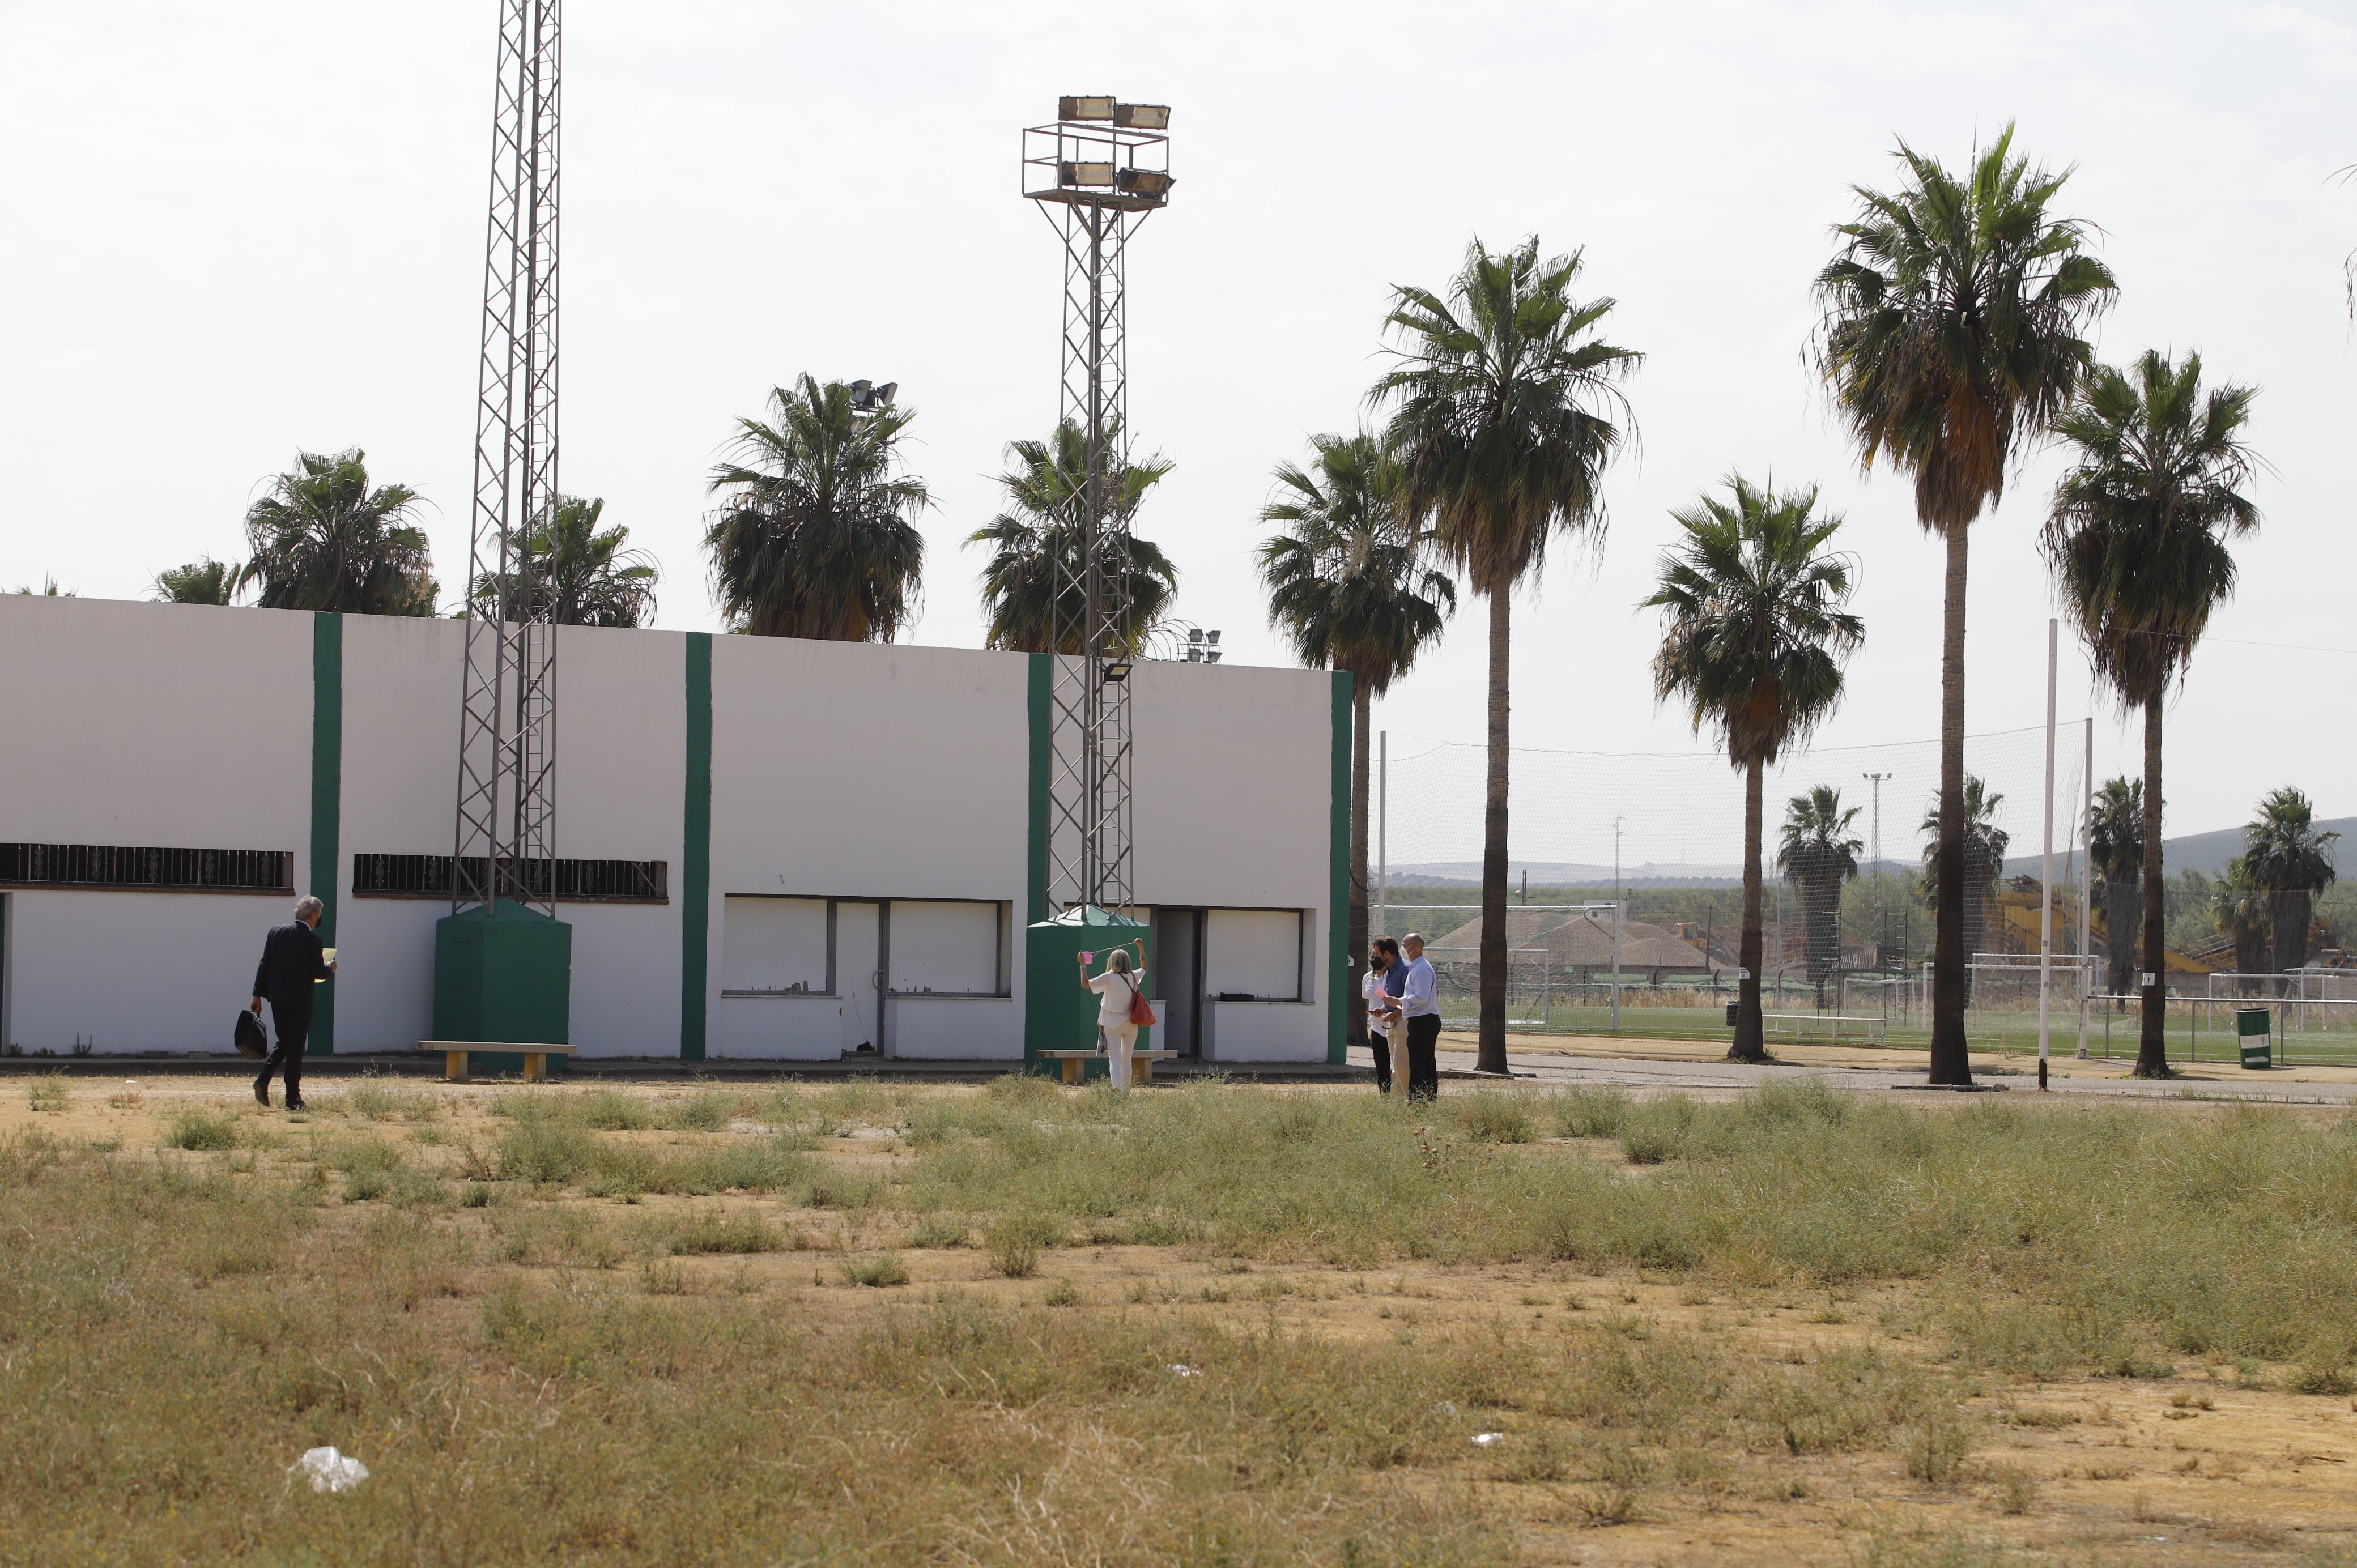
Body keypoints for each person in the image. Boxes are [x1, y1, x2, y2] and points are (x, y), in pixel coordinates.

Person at [250, 895, 335, 1110]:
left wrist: (257, 995)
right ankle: (293, 1099)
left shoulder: (276, 932)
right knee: (295, 1049)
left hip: (277, 999)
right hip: (300, 1002)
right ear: (314, 916)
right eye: (319, 916)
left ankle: (263, 1079)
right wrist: (330, 968)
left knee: (285, 1043)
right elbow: (318, 972)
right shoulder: (313, 941)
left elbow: (265, 964)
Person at [1078, 939, 1147, 1090]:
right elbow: (1144, 967)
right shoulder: (1134, 976)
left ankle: (1117, 1089)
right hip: (1131, 1023)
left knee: (1115, 1059)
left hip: (1111, 1023)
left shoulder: (1109, 977)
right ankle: (1126, 1092)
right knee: (1127, 1059)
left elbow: (1085, 984)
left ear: (1112, 962)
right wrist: (1141, 948)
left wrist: (1083, 965)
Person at [1397, 931, 1441, 1101]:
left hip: (1424, 1021)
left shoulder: (1422, 968)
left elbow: (1422, 997)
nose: (1403, 949)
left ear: (1412, 948)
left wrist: (1400, 1001)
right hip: (1421, 1020)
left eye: (1404, 945)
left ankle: (1417, 1102)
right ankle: (1428, 1099)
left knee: (1418, 1063)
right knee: (1425, 1062)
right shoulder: (1416, 967)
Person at [1363, 938, 1405, 1092]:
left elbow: (1391, 999)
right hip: (1376, 1028)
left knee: (1398, 1065)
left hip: (1393, 1026)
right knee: (1381, 1067)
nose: (1374, 960)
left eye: (1377, 956)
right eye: (1372, 957)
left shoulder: (1391, 976)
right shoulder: (1368, 978)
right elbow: (1369, 999)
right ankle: (1385, 1098)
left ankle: (1399, 1094)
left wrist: (1386, 1008)